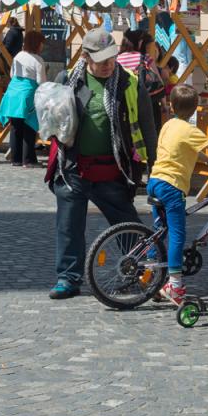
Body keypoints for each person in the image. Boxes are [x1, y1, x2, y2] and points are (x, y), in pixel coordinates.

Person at [46, 27, 158, 300]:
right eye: (102, 59)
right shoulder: (68, 80)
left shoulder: (129, 83)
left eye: (112, 57)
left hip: (113, 168)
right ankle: (68, 278)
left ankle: (140, 272)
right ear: (85, 57)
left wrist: (156, 165)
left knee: (127, 223)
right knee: (69, 225)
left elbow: (147, 126)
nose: (109, 64)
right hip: (73, 167)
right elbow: (55, 121)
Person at [147, 85, 208, 307]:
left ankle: (149, 276)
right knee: (177, 234)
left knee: (159, 231)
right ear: (195, 109)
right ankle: (175, 285)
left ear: (172, 106)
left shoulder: (168, 125)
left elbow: (179, 150)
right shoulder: (191, 131)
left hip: (155, 180)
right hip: (172, 186)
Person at [0, 30, 48, 167]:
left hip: (13, 93)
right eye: (42, 43)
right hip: (27, 94)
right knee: (29, 127)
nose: (42, 46)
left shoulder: (18, 56)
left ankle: (16, 159)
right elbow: (41, 81)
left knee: (15, 127)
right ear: (37, 44)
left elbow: (12, 73)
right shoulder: (38, 60)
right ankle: (29, 160)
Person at [117, 30, 165, 126]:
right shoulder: (145, 58)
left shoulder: (117, 59)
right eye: (146, 47)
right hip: (145, 103)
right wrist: (164, 105)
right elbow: (159, 82)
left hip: (124, 104)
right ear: (140, 43)